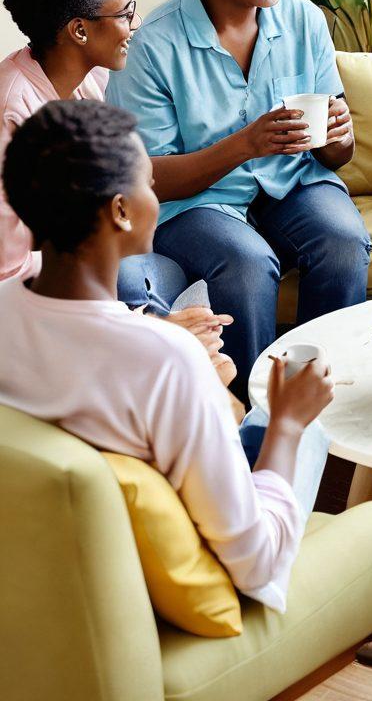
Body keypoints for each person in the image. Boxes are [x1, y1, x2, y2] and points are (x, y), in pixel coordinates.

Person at [0, 99, 333, 608]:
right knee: (294, 425)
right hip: (175, 592)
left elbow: (80, 349)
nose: (155, 192)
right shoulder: (164, 360)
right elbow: (256, 563)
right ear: (120, 210)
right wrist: (288, 423)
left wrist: (156, 335)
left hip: (50, 572)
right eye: (148, 182)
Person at [106, 0, 371, 401]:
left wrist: (339, 134)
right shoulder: (153, 45)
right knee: (246, 263)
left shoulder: (303, 18)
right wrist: (245, 145)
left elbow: (336, 156)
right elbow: (147, 178)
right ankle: (251, 417)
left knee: (342, 241)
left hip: (294, 182)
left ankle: (327, 397)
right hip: (197, 204)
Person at [0, 0, 233, 381]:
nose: (137, 23)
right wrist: (145, 328)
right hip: (34, 302)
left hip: (88, 266)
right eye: (125, 14)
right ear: (80, 30)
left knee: (193, 277)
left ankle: (208, 382)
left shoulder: (93, 80)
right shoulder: (14, 114)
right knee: (135, 287)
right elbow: (11, 270)